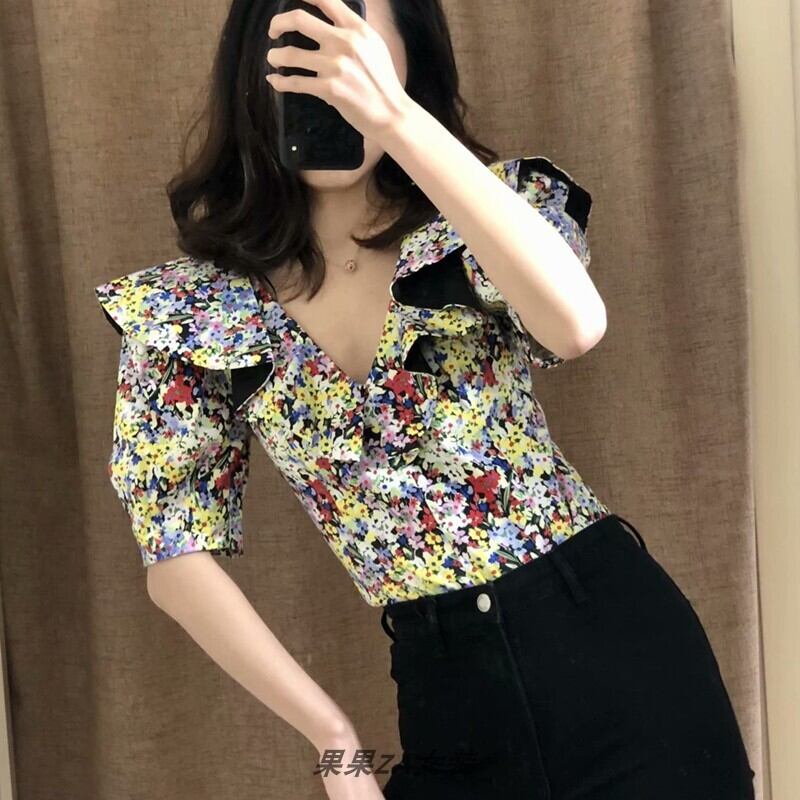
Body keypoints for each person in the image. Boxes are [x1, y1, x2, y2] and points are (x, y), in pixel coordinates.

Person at [94, 1, 757, 798]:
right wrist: (335, 744)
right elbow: (173, 556)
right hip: (448, 702)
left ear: (406, 64)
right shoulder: (193, 313)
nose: (331, 79)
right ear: (256, 70)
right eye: (304, 50)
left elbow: (577, 324)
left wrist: (398, 120)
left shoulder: (481, 219)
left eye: (357, 51)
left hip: (624, 663)